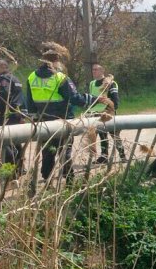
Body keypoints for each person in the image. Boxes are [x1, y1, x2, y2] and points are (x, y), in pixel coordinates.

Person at [24, 42, 106, 182]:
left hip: (43, 122)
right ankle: (68, 179)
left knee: (48, 151)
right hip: (62, 120)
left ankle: (46, 178)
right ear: (56, 61)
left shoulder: (32, 77)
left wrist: (35, 119)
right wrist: (94, 99)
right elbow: (74, 98)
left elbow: (30, 103)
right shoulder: (60, 77)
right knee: (65, 151)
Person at [86, 64, 126, 163]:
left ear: (102, 71)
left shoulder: (111, 83)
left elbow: (115, 101)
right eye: (93, 70)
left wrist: (109, 111)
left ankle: (123, 156)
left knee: (114, 135)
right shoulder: (92, 83)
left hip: (107, 113)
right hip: (95, 114)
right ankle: (104, 157)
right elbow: (92, 99)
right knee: (101, 136)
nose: (94, 71)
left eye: (96, 70)